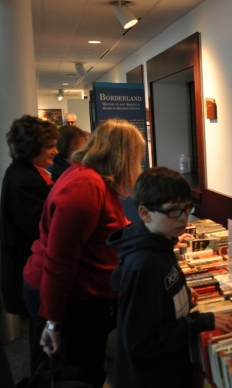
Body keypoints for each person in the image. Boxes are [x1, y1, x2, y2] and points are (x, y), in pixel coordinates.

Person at [22, 118, 146, 388]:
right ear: (121, 156)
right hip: (70, 299)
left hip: (80, 296)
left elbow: (110, 226)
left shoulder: (92, 179)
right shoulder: (84, 187)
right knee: (75, 374)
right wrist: (53, 322)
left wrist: (148, 234)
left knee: (84, 368)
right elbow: (60, 261)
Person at [108, 167, 232, 387]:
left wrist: (179, 291)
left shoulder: (161, 240)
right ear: (144, 213)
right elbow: (141, 342)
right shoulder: (144, 264)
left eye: (187, 209)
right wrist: (200, 322)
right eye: (173, 211)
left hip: (168, 365)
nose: (183, 218)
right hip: (151, 376)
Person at [0, 115, 59, 371]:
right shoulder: (25, 180)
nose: (56, 151)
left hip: (29, 271)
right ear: (31, 147)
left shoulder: (26, 173)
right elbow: (42, 229)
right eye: (49, 146)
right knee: (42, 342)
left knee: (41, 338)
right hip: (31, 273)